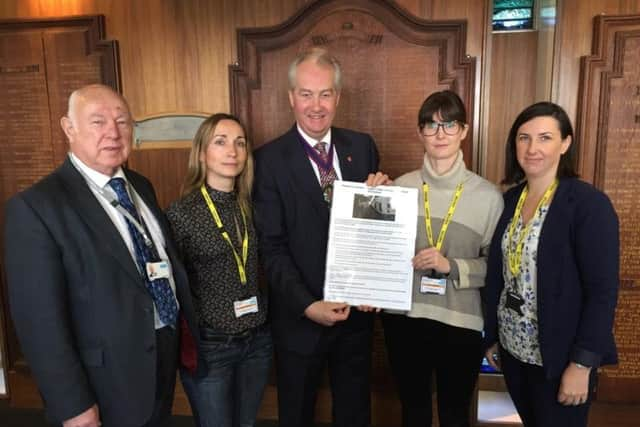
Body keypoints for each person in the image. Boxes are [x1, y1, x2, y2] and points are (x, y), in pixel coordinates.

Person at [3, 84, 199, 427]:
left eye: (122, 121)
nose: (113, 132)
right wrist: (72, 405)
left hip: (159, 363)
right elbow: (39, 324)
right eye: (98, 121)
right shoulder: (36, 208)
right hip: (102, 384)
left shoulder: (140, 185)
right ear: (69, 128)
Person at [252, 48, 389, 427]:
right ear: (291, 97)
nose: (316, 105)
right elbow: (272, 247)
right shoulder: (267, 160)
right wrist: (308, 304)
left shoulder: (362, 147)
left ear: (338, 97)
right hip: (300, 319)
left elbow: (372, 232)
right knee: (296, 414)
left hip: (355, 317)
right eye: (307, 94)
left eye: (325, 94)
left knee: (355, 412)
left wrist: (381, 197)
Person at [482, 102, 619, 426]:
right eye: (523, 138)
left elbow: (602, 292)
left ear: (565, 143)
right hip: (514, 353)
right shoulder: (509, 201)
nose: (532, 148)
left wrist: (582, 364)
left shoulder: (588, 205)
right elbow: (499, 277)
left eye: (544, 138)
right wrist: (492, 338)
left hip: (559, 360)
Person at [380, 90, 503, 427]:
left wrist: (452, 266)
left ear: (464, 131)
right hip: (404, 318)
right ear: (420, 132)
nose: (440, 134)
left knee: (454, 413)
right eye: (431, 126)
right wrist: (369, 199)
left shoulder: (489, 196)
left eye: (449, 125)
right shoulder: (399, 189)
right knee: (413, 410)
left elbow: (497, 268)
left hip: (460, 322)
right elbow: (379, 251)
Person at [166, 113, 272, 427]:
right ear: (202, 153)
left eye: (240, 143)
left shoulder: (253, 206)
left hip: (258, 339)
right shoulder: (181, 213)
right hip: (212, 345)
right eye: (221, 142)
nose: (232, 151)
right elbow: (172, 286)